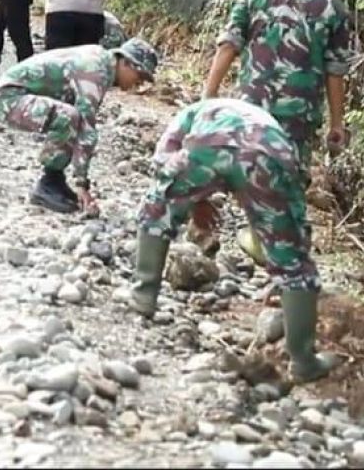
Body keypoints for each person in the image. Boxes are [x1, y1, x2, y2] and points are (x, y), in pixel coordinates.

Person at [131, 98, 335, 383]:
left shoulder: (195, 113)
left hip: (208, 147)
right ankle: (303, 362)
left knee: (158, 209)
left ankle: (143, 297)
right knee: (292, 258)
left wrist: (193, 199)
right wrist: (285, 256)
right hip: (269, 155)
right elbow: (286, 196)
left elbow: (164, 162)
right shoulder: (271, 128)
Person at [203, 0, 353, 266]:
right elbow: (335, 71)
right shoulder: (333, 9)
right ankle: (281, 257)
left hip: (252, 107)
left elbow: (228, 46)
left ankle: (222, 235)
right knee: (290, 181)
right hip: (299, 114)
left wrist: (208, 95)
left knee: (246, 168)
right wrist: (337, 123)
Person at [0, 38, 157, 214]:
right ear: (125, 62)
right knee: (68, 117)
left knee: (71, 117)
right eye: (140, 77)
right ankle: (47, 184)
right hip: (8, 99)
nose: (139, 84)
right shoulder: (95, 70)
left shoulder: (102, 61)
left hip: (19, 96)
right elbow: (86, 127)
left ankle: (55, 180)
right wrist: (82, 185)